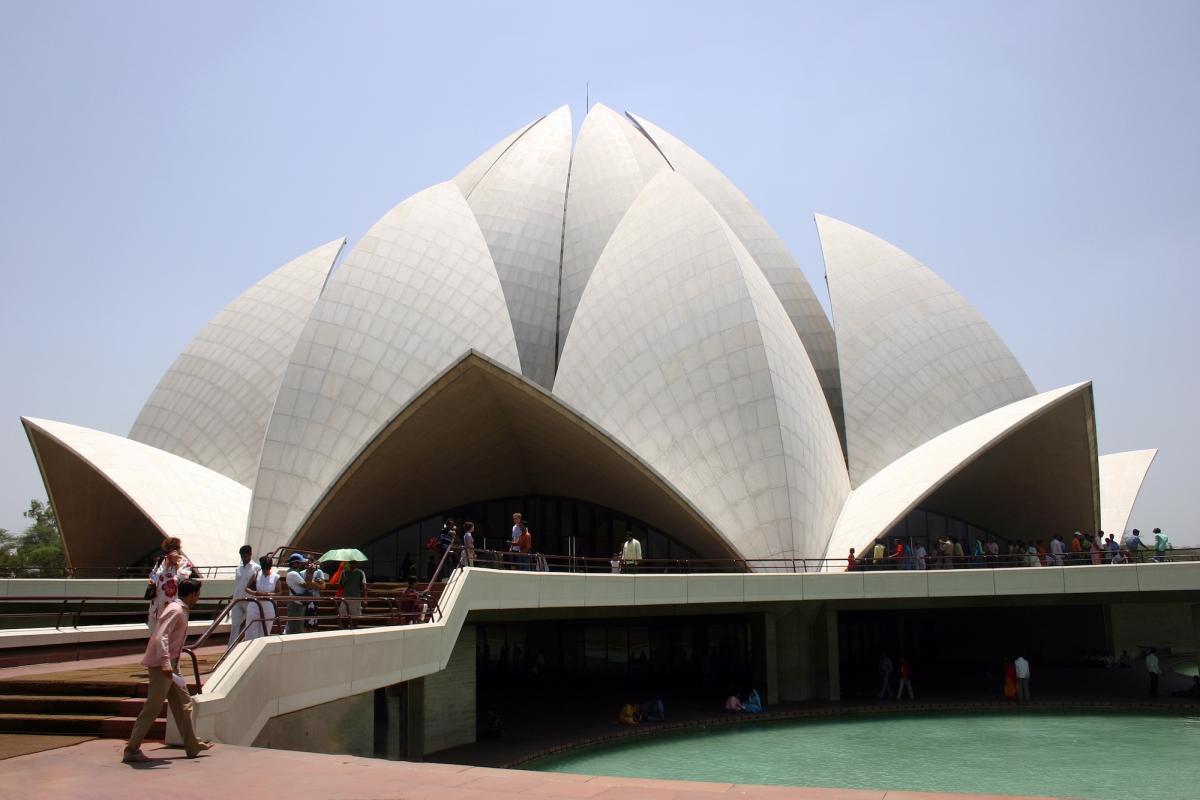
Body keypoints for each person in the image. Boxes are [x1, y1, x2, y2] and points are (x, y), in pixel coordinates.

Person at [123, 578, 213, 763]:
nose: (198, 598)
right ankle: (132, 748)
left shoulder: (180, 610)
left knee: (184, 703)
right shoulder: (176, 610)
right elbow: (161, 637)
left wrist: (173, 665)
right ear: (193, 594)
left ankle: (192, 744)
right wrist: (165, 663)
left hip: (171, 666)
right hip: (162, 666)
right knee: (153, 707)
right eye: (198, 595)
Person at [146, 537, 195, 630]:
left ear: (178, 549)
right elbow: (153, 576)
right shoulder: (161, 561)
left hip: (173, 607)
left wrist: (175, 564)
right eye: (167, 549)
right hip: (155, 607)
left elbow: (181, 581)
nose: (169, 552)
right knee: (154, 636)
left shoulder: (184, 562)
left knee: (169, 638)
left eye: (172, 548)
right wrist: (165, 567)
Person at [227, 545, 259, 650]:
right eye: (241, 555)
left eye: (245, 555)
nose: (243, 558)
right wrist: (233, 594)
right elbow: (237, 584)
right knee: (235, 624)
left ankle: (248, 647)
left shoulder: (256, 568)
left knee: (250, 624)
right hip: (237, 600)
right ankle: (230, 649)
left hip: (249, 600)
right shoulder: (238, 568)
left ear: (250, 554)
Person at [242, 555, 279, 641]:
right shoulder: (256, 574)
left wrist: (269, 594)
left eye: (267, 567)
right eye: (264, 567)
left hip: (268, 607)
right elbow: (247, 588)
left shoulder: (276, 577)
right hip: (255, 606)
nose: (265, 570)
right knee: (251, 630)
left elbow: (279, 592)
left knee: (265, 631)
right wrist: (256, 593)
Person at [284, 553, 322, 634]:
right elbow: (308, 586)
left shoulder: (296, 573)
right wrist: (311, 572)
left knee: (297, 628)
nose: (304, 564)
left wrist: (310, 572)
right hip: (296, 605)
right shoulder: (293, 574)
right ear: (295, 563)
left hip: (298, 603)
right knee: (295, 629)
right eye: (301, 562)